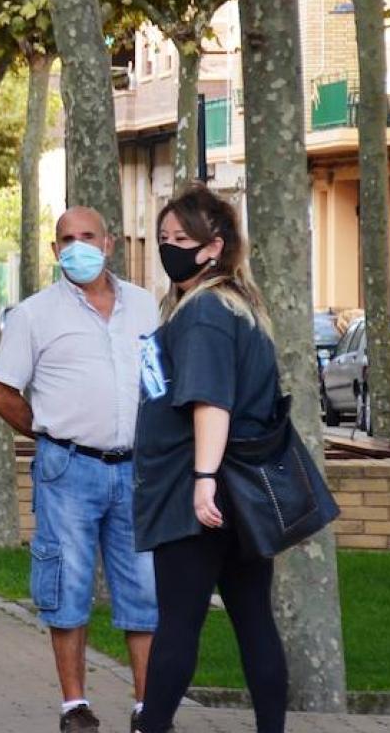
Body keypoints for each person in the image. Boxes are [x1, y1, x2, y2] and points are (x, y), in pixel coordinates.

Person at [0, 206, 159, 733]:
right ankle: (74, 707)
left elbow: (159, 382)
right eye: (67, 239)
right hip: (68, 470)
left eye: (88, 236)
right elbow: (0, 392)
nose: (78, 246)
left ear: (109, 244)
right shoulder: (34, 315)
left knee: (145, 591)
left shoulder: (145, 306)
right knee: (67, 586)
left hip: (136, 470)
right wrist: (48, 432)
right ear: (55, 250)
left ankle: (147, 707)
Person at [133, 185, 290, 733]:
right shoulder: (239, 306)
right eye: (164, 238)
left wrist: (202, 481)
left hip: (198, 495)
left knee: (178, 625)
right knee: (253, 622)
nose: (169, 247)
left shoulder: (203, 314)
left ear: (213, 247)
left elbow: (211, 402)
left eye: (182, 239)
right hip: (242, 496)